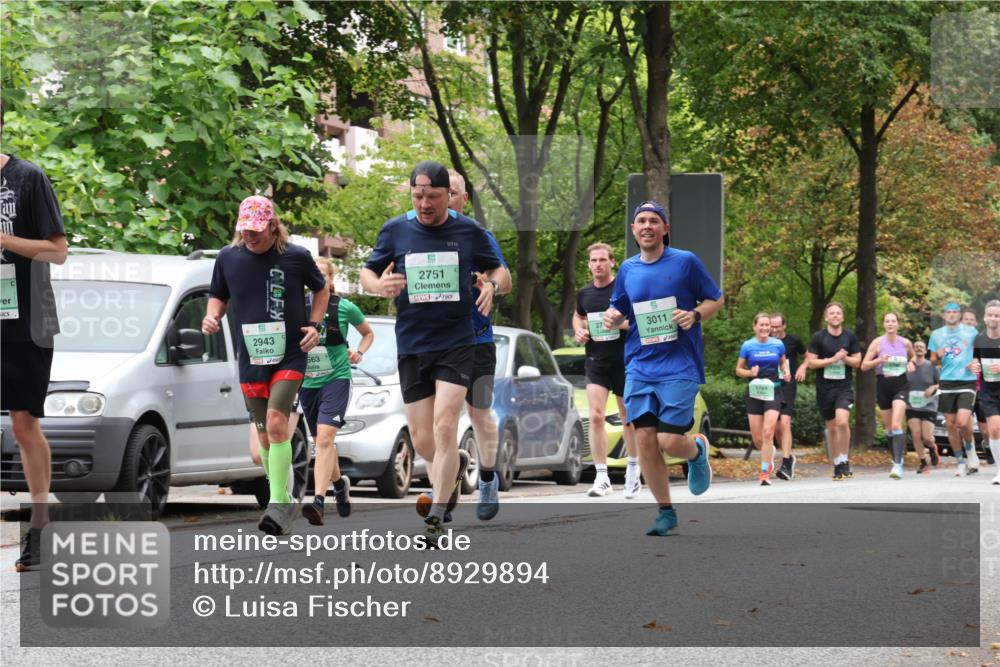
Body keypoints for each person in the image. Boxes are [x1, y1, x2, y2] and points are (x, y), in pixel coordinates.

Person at [360, 161, 503, 546]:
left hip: (460, 342)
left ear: (449, 198)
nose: (425, 203)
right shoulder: (396, 229)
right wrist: (379, 286)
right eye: (417, 195)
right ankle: (451, 468)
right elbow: (367, 273)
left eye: (434, 196)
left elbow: (500, 272)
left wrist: (491, 284)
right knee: (426, 442)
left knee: (448, 423)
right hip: (412, 345)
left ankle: (438, 517)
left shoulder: (469, 232)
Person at [203, 195, 329, 535]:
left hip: (290, 352)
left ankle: (276, 506)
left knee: (276, 422)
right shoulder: (228, 258)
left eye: (256, 230)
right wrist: (212, 317)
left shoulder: (296, 257)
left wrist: (314, 326)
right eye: (245, 230)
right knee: (263, 437)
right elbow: (218, 295)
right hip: (251, 357)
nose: (250, 236)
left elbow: (322, 289)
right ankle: (284, 497)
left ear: (273, 226)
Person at [603, 200, 722, 536]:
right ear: (633, 230)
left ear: (665, 229)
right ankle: (665, 511)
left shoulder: (685, 262)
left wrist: (696, 314)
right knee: (644, 439)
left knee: (670, 440)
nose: (647, 226)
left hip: (679, 364)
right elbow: (618, 310)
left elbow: (716, 298)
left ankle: (695, 450)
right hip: (640, 363)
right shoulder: (627, 269)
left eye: (654, 220)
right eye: (641, 220)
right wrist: (613, 317)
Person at [415, 169, 512, 522]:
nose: (446, 198)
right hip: (432, 344)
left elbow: (505, 278)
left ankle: (487, 477)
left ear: (463, 199)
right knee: (439, 424)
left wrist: (489, 284)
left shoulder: (477, 236)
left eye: (453, 193)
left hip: (477, 342)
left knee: (480, 414)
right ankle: (445, 493)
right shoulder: (415, 236)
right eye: (441, 192)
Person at [1, 101, 69, 571]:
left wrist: (3, 240)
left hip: (26, 320)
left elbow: (57, 251)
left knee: (24, 424)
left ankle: (41, 523)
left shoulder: (27, 178)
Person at [299, 257, 374, 525]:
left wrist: (359, 353)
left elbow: (368, 333)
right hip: (308, 383)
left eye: (323, 275)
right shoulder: (299, 308)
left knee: (323, 440)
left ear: (330, 279)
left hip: (337, 378)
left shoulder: (345, 307)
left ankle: (318, 501)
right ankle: (339, 484)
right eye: (314, 275)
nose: (318, 279)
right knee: (323, 441)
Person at [573, 242, 638, 498]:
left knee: (627, 417)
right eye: (594, 260)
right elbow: (579, 315)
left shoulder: (624, 291)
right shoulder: (585, 294)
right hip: (596, 360)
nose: (598, 264)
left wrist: (621, 324)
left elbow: (638, 322)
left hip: (624, 360)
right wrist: (579, 329)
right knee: (596, 416)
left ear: (612, 262)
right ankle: (602, 477)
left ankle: (633, 469)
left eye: (603, 260)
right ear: (589, 264)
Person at [804, 302, 862, 480]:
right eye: (832, 313)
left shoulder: (850, 337)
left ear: (842, 317)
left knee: (842, 422)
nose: (835, 316)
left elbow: (858, 362)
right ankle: (837, 463)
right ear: (827, 317)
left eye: (838, 313)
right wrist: (832, 359)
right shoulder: (818, 338)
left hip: (843, 387)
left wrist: (845, 358)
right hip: (824, 388)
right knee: (831, 427)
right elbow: (811, 363)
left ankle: (844, 460)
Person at [860, 312, 915, 479]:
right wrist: (879, 360)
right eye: (887, 321)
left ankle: (898, 465)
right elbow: (863, 366)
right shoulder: (877, 343)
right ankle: (895, 458)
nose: (890, 324)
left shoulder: (905, 343)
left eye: (893, 321)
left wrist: (912, 363)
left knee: (897, 424)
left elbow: (913, 358)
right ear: (884, 324)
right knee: (889, 428)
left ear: (898, 324)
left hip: (901, 385)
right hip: (883, 385)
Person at [928, 302, 980, 476]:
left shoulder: (970, 332)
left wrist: (975, 362)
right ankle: (960, 461)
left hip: (967, 381)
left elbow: (981, 349)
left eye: (954, 312)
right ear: (944, 315)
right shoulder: (936, 335)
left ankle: (971, 451)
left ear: (959, 315)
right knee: (950, 425)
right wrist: (939, 355)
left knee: (963, 422)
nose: (951, 314)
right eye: (948, 312)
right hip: (947, 382)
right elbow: (933, 360)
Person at [735, 313, 787, 486]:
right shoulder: (748, 346)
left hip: (773, 390)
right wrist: (750, 373)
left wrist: (786, 372)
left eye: (767, 325)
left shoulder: (778, 344)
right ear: (754, 327)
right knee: (758, 439)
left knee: (768, 432)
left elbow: (783, 363)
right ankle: (769, 453)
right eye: (761, 325)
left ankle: (764, 473)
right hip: (754, 391)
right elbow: (738, 370)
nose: (765, 328)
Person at [769, 312, 806, 480]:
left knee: (785, 423)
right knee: (776, 427)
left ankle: (785, 463)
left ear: (784, 326)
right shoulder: (765, 342)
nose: (774, 329)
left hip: (788, 385)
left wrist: (802, 368)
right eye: (772, 326)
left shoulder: (794, 341)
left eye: (777, 326)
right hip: (771, 386)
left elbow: (809, 357)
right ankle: (789, 456)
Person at [970, 300, 1000, 485]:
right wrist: (974, 366)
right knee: (995, 430)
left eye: (997, 315)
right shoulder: (979, 339)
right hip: (988, 391)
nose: (993, 318)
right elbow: (975, 362)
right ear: (984, 317)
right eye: (990, 315)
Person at [905, 340, 941, 474]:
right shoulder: (907, 367)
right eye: (916, 347)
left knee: (927, 437)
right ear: (913, 351)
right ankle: (923, 462)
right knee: (915, 434)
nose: (919, 349)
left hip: (928, 405)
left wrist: (933, 387)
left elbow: (943, 385)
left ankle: (932, 448)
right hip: (911, 406)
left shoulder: (932, 367)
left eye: (922, 347)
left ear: (926, 351)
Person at [963, 308, 989, 456]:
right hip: (964, 387)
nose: (969, 322)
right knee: (964, 424)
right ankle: (972, 457)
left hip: (982, 387)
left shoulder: (982, 339)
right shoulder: (957, 342)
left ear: (976, 322)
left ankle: (987, 444)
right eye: (966, 319)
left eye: (972, 320)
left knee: (985, 429)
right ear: (961, 321)